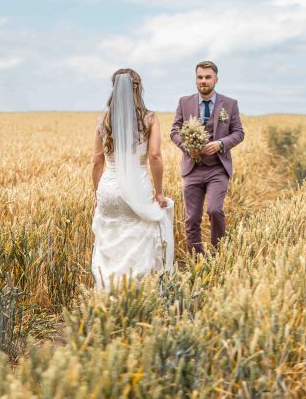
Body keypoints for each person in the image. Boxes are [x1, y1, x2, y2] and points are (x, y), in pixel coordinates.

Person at [91, 69, 174, 289]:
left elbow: (97, 163)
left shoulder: (104, 121)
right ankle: (136, 293)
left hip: (108, 189)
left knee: (109, 240)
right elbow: (154, 156)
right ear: (138, 88)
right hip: (137, 188)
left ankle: (110, 291)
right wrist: (158, 191)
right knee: (138, 239)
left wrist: (97, 195)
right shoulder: (150, 119)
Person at [170, 61, 245, 254]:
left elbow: (238, 133)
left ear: (216, 80)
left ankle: (219, 254)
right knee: (191, 218)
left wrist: (220, 144)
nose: (203, 81)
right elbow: (174, 132)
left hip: (217, 169)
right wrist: (187, 147)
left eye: (207, 77)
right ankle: (197, 260)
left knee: (214, 210)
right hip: (192, 169)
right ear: (196, 79)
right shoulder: (184, 102)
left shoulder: (229, 104)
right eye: (200, 77)